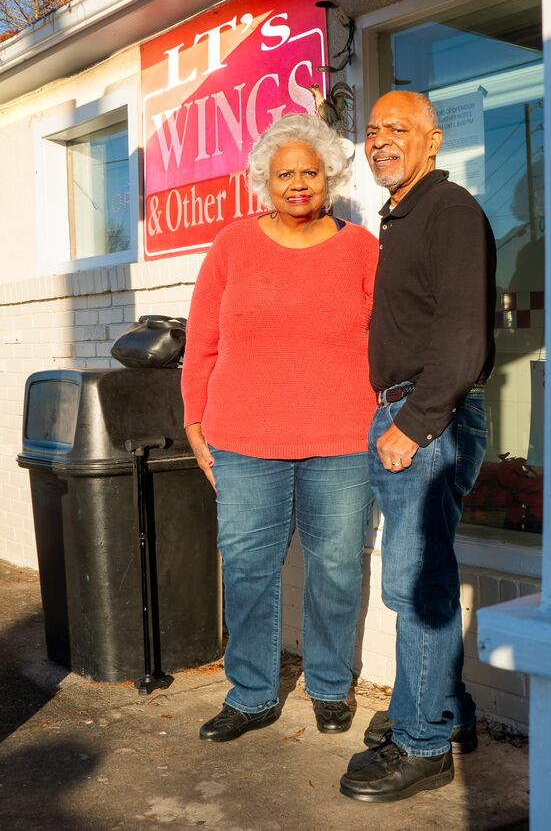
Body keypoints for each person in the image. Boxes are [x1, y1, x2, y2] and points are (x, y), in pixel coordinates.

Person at [182, 113, 378, 743]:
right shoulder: (232, 244)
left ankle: (326, 686)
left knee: (337, 567)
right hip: (242, 438)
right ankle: (252, 694)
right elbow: (202, 342)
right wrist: (192, 419)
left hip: (343, 438)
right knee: (246, 569)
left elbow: (387, 340)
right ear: (265, 182)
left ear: (330, 177)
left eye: (310, 171)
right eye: (284, 173)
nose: (298, 183)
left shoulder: (361, 249)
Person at [340, 91, 496, 802]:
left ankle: (424, 743)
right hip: (414, 410)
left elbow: (464, 336)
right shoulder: (403, 214)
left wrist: (414, 421)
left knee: (417, 584)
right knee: (425, 576)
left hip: (428, 416)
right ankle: (440, 711)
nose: (381, 142)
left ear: (433, 140)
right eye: (372, 132)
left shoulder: (449, 210)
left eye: (397, 130)